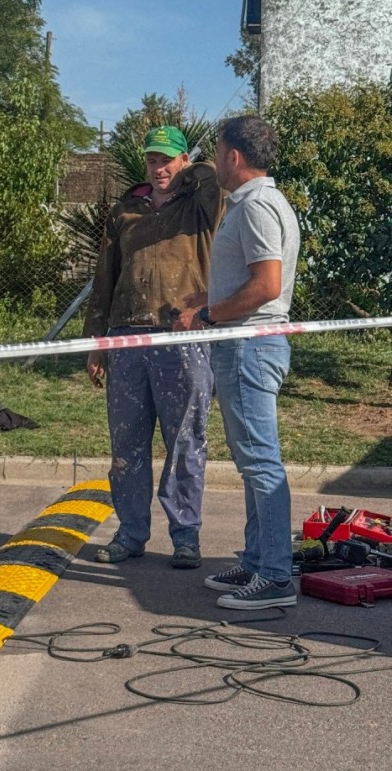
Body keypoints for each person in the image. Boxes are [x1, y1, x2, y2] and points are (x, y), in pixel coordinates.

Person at [84, 126, 225, 570]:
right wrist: (97, 342)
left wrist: (189, 172)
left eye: (167, 159)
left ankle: (185, 536)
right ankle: (130, 533)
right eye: (152, 159)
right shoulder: (127, 209)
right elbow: (104, 277)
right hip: (126, 337)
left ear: (183, 160)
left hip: (181, 336)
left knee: (185, 440)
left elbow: (213, 176)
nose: (158, 167)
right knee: (126, 442)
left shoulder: (200, 203)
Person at [175, 115, 300, 610]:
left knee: (261, 463)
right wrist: (214, 296)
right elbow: (255, 282)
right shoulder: (256, 202)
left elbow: (267, 286)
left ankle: (274, 578)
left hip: (250, 345)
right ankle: (255, 561)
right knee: (253, 463)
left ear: (234, 156)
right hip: (246, 341)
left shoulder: (257, 206)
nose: (215, 161)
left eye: (219, 151)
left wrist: (209, 312)